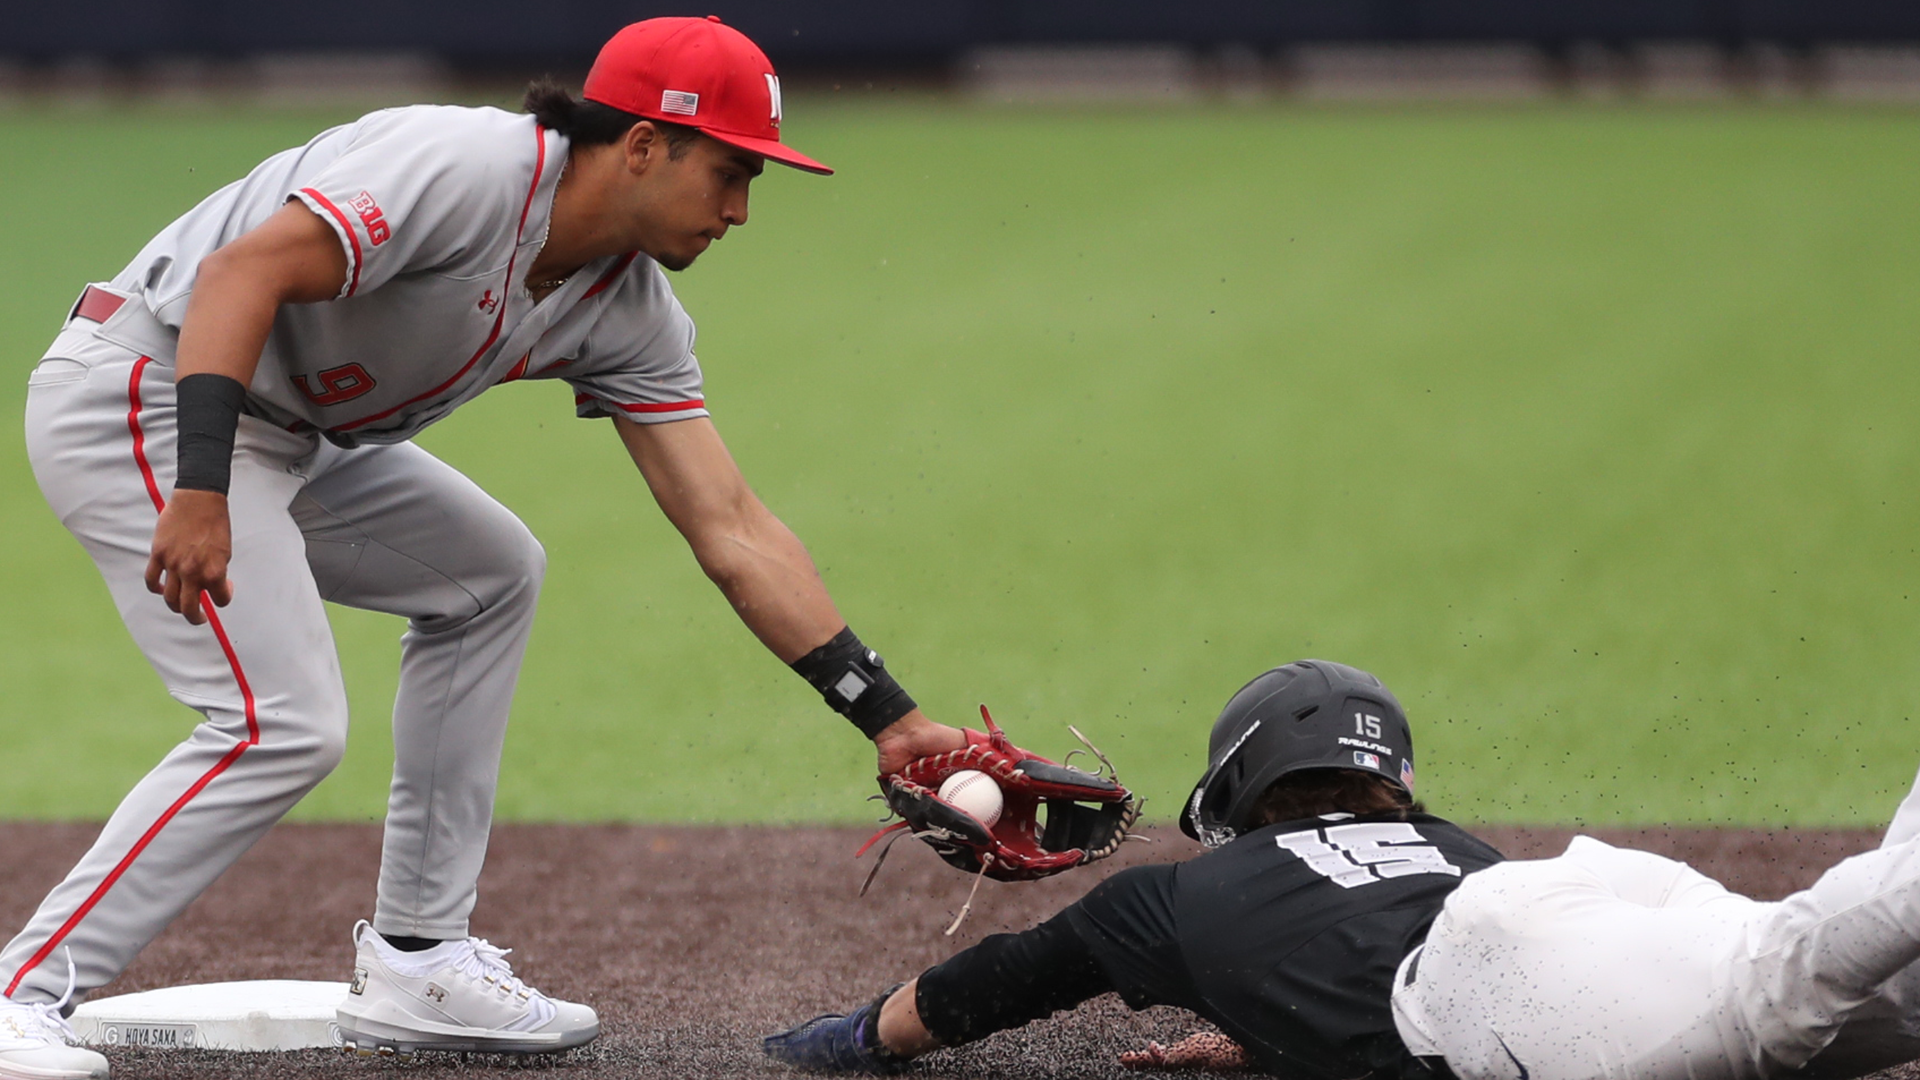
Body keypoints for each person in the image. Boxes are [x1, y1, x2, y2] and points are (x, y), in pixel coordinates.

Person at [0, 15, 967, 1080]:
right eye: (729, 172)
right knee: (280, 723)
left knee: (489, 577)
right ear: (642, 144)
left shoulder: (627, 307)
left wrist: (888, 714)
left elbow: (729, 524)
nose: (740, 209)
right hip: (143, 390)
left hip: (291, 441)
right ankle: (22, 992)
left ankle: (419, 958)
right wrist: (199, 487)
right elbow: (238, 276)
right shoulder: (467, 168)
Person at [764, 659, 1920, 1080]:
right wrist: (1260, 1024)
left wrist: (856, 1037)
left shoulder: (1166, 901)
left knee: (1795, 976)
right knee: (1841, 986)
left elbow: (986, 989)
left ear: (1241, 784)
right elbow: (1360, 946)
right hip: (1570, 910)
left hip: (1502, 976)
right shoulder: (1446, 843)